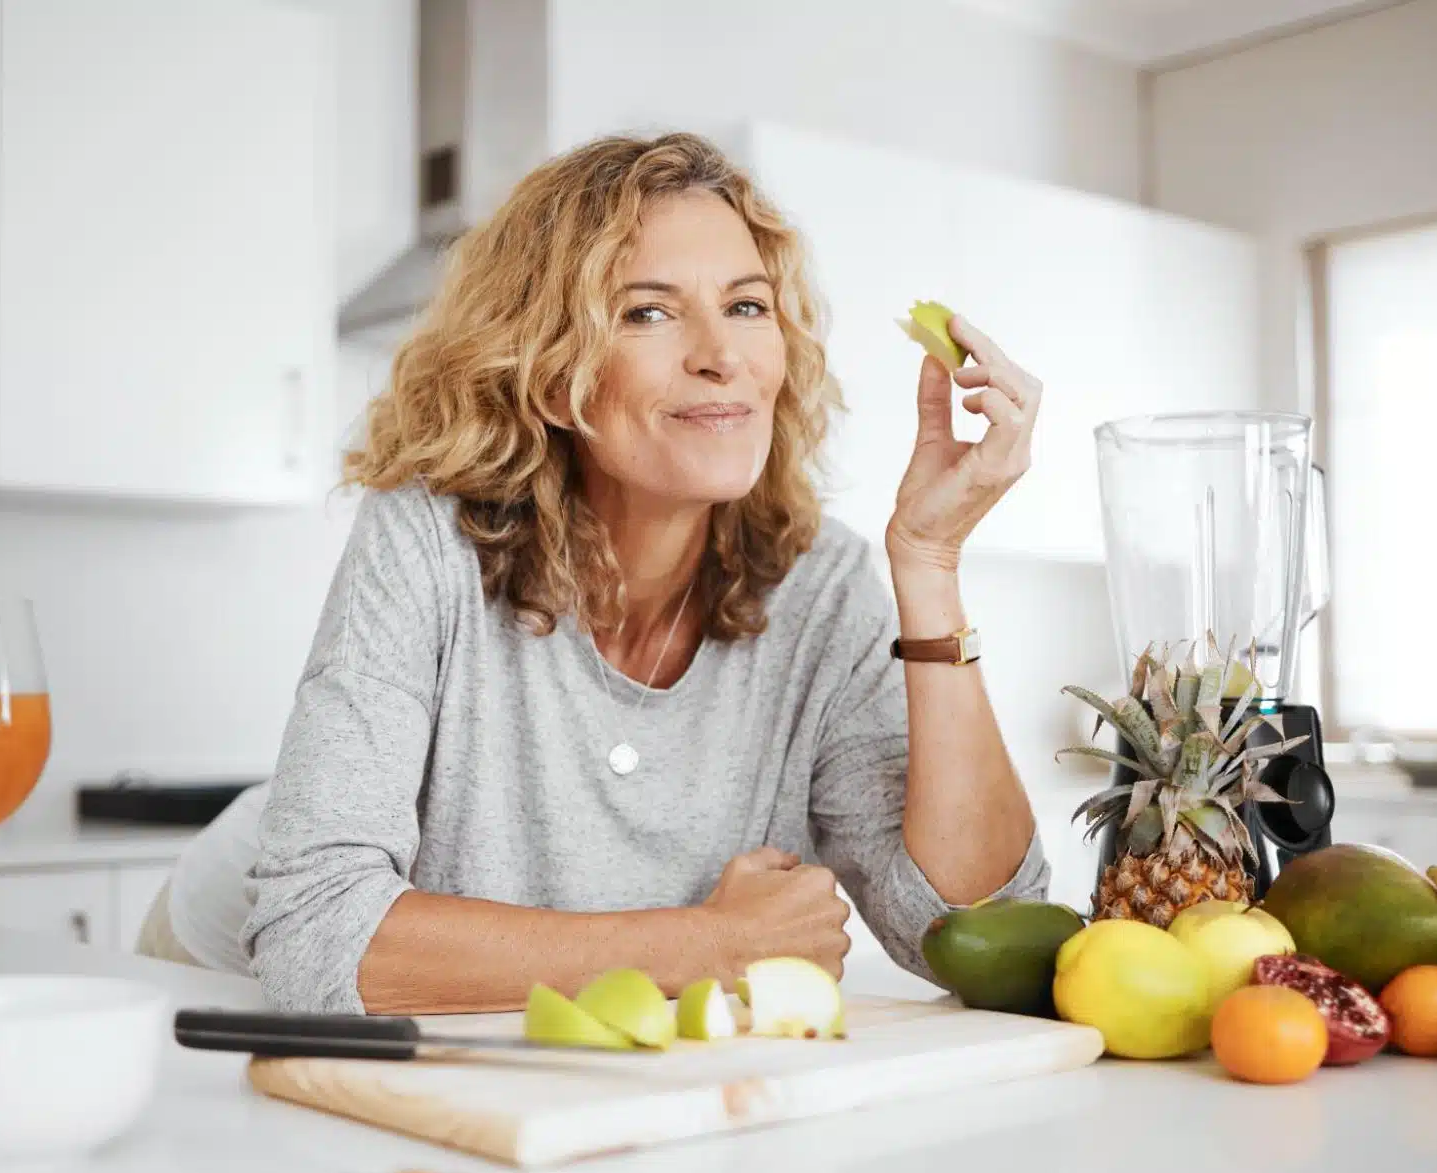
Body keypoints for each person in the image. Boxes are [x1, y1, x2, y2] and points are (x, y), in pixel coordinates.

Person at [155, 132, 1048, 1014]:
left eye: (745, 306)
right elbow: (314, 938)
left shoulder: (822, 586)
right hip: (221, 969)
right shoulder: (425, 537)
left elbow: (979, 934)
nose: (720, 354)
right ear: (550, 378)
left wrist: (928, 565)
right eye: (646, 312)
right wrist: (709, 946)